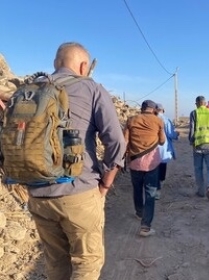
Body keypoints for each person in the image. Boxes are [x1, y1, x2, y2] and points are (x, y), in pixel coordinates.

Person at [26, 42, 126, 280]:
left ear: (55, 64)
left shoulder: (29, 90)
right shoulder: (91, 88)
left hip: (37, 195)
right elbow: (116, 143)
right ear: (84, 66)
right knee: (87, 263)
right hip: (78, 193)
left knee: (56, 263)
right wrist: (105, 184)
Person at [123, 100, 166, 237]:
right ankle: (146, 227)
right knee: (150, 193)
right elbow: (162, 141)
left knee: (137, 189)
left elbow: (125, 142)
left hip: (135, 162)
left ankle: (139, 212)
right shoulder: (158, 121)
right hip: (152, 164)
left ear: (142, 109)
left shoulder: (131, 120)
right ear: (153, 109)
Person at [188, 95, 209, 201]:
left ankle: (201, 191)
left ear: (197, 103)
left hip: (198, 144)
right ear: (205, 103)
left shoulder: (194, 113)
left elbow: (192, 129)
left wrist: (191, 141)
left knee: (198, 168)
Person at [155, 103, 179, 200]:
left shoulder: (151, 119)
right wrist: (176, 134)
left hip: (152, 148)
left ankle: (155, 186)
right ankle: (158, 187)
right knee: (162, 166)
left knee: (154, 167)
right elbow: (170, 134)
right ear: (163, 110)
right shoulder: (166, 119)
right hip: (163, 147)